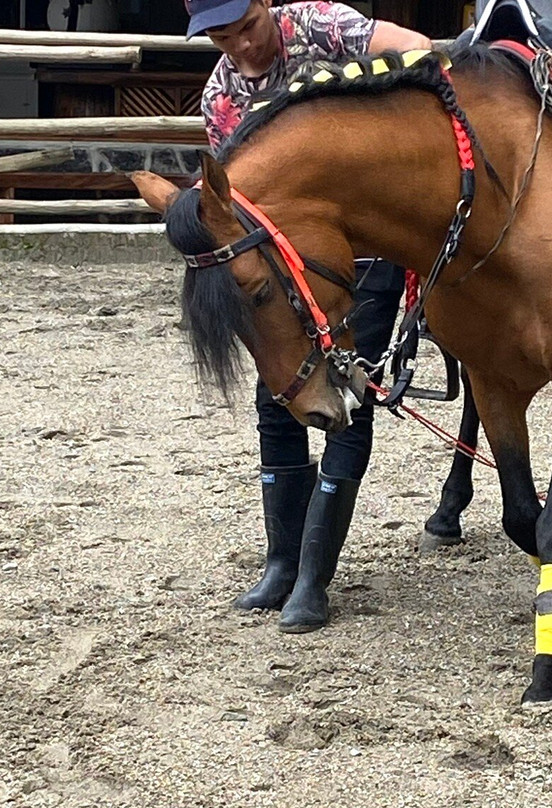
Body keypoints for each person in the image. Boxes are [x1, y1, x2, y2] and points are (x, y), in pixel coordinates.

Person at [186, 0, 431, 632]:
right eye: (220, 37)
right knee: (280, 395)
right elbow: (232, 205)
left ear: (266, 6)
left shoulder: (322, 26)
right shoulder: (219, 97)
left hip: (363, 252)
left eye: (246, 28)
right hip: (284, 273)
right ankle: (281, 562)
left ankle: (315, 575)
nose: (240, 48)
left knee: (349, 390)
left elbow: (419, 47)